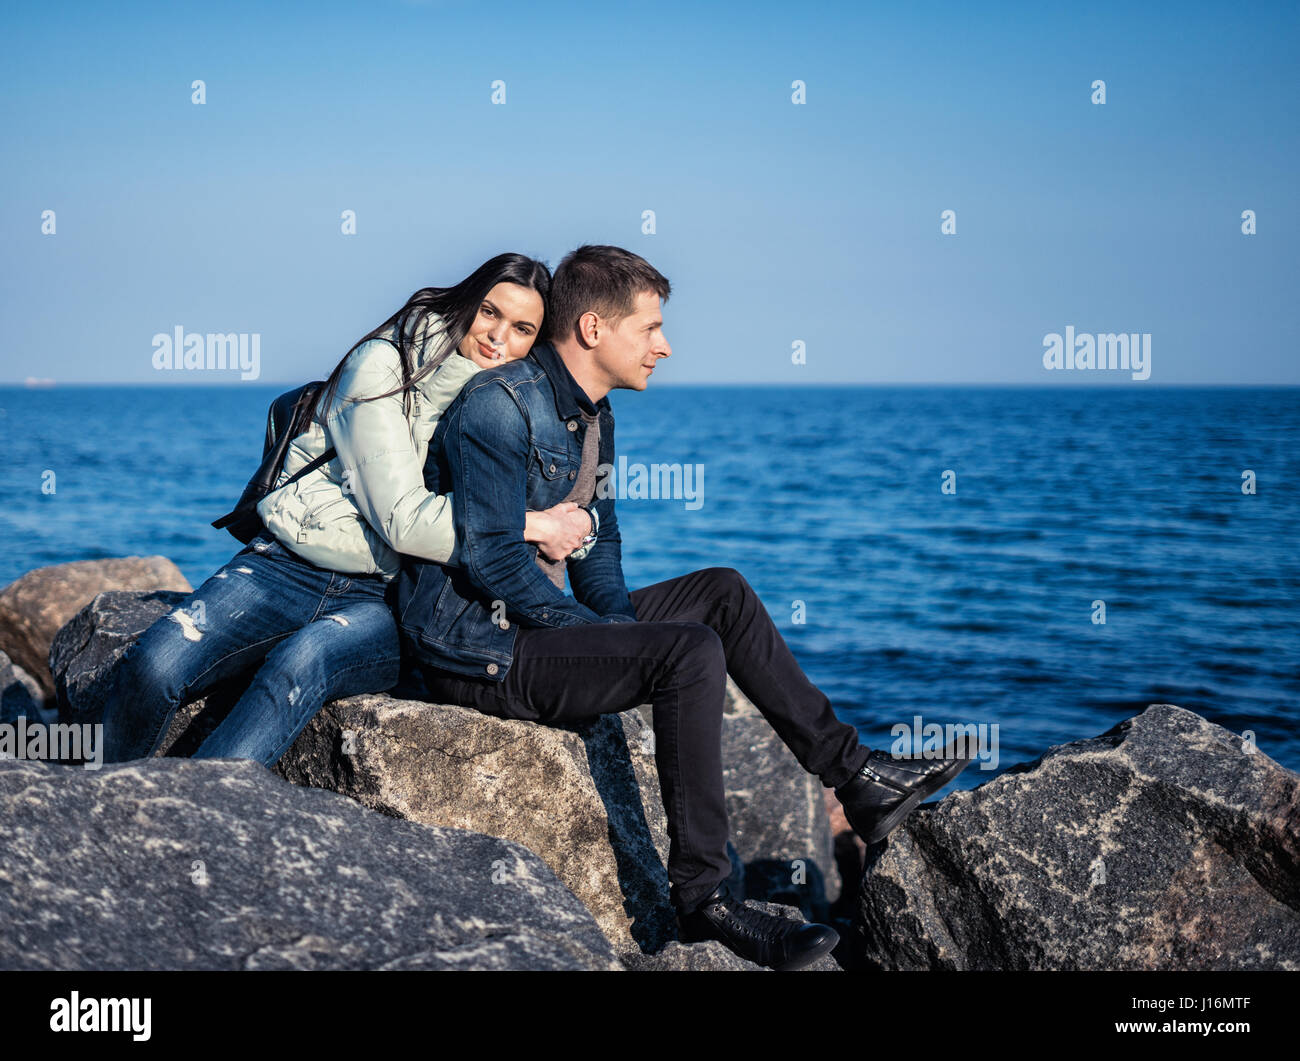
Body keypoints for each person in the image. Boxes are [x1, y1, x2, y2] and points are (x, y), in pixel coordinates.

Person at [394, 244, 974, 971]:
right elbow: (495, 561)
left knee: (721, 593)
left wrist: (612, 627)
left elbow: (599, 552)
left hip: (535, 627)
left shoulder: (593, 415)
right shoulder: (498, 409)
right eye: (652, 328)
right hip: (480, 649)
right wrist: (605, 639)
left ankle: (857, 778)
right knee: (688, 650)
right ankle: (706, 901)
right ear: (596, 329)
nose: (665, 347)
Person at [100, 253, 593, 766]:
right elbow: (402, 519)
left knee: (298, 664)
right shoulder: (385, 363)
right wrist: (534, 527)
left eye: (521, 329)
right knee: (154, 665)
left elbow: (562, 494)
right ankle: (88, 807)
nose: (498, 337)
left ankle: (198, 818)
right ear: (465, 303)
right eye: (489, 312)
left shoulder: (504, 402)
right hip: (285, 567)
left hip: (388, 597)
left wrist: (585, 523)